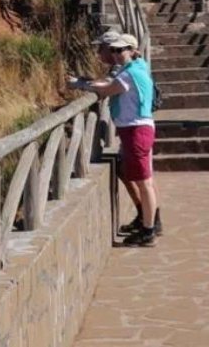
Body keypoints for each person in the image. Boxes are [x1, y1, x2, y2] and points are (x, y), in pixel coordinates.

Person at [68, 32, 159, 246]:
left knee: (144, 182)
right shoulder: (134, 68)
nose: (116, 54)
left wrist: (80, 84)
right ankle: (148, 224)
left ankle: (148, 230)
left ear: (132, 51)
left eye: (121, 50)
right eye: (114, 50)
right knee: (142, 178)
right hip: (135, 128)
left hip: (136, 129)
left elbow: (108, 90)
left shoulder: (129, 73)